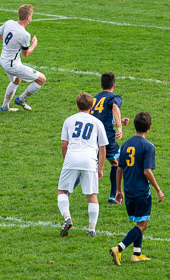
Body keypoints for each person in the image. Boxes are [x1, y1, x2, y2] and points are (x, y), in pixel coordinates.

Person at [109, 111, 164, 265]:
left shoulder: (125, 144)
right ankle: (118, 248)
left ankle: (136, 254)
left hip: (128, 190)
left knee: (139, 221)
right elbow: (147, 171)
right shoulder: (148, 147)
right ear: (150, 127)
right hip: (141, 191)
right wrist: (158, 189)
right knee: (143, 224)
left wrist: (118, 191)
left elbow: (119, 169)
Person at [57, 92, 108, 237]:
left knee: (62, 191)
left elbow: (64, 145)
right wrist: (101, 168)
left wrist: (67, 161)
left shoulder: (69, 120)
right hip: (89, 160)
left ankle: (67, 218)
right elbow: (103, 147)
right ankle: (91, 229)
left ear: (77, 105)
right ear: (91, 106)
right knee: (92, 195)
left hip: (72, 158)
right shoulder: (97, 122)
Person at [0, 4, 46, 111]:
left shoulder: (9, 23)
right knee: (41, 79)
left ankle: (5, 107)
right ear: (28, 18)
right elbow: (25, 54)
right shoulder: (25, 34)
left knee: (17, 80)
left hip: (3, 59)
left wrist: (11, 42)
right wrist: (34, 44)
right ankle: (21, 99)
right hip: (13, 65)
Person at [90, 72, 130, 204]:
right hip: (106, 137)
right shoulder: (114, 97)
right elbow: (115, 108)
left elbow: (100, 119)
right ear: (114, 85)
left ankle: (66, 191)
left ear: (101, 85)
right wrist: (119, 127)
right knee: (118, 163)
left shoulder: (94, 99)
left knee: (91, 165)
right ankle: (114, 195)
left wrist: (117, 121)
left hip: (92, 137)